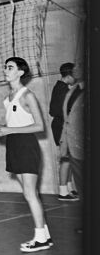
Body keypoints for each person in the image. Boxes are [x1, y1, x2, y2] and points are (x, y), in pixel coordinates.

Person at [0, 57, 52, 253]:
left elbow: (40, 126)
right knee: (30, 193)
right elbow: (15, 123)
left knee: (29, 193)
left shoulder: (27, 95)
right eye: (5, 67)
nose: (5, 70)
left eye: (10, 67)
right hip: (13, 146)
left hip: (27, 146)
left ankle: (40, 239)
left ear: (20, 72)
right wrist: (3, 129)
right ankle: (44, 234)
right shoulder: (7, 97)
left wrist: (9, 130)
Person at [58, 66, 85, 216]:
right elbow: (65, 119)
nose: (76, 70)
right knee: (81, 184)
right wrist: (65, 141)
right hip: (74, 142)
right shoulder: (72, 91)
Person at [53, 63, 79, 200]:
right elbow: (54, 111)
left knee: (69, 157)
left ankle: (69, 188)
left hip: (64, 125)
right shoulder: (62, 90)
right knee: (66, 158)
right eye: (74, 76)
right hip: (61, 126)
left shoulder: (63, 88)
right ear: (68, 76)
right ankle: (62, 191)